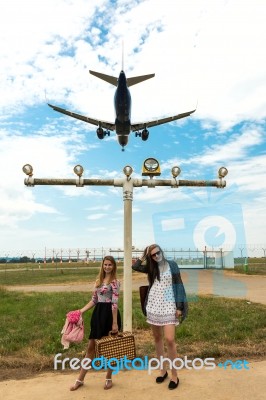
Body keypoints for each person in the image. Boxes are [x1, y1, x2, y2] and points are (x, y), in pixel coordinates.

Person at [132, 244, 188, 390]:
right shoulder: (151, 268)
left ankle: (175, 376)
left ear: (162, 251)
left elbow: (179, 286)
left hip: (169, 305)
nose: (156, 256)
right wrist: (143, 255)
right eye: (153, 255)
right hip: (154, 306)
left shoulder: (172, 265)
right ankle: (163, 371)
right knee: (157, 339)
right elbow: (136, 267)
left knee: (170, 340)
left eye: (158, 253)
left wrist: (180, 307)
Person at [70, 255, 121, 391]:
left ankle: (109, 378)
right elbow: (94, 300)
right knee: (91, 348)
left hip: (111, 316)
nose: (107, 267)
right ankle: (80, 379)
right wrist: (80, 311)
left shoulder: (115, 282)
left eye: (110, 265)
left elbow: (115, 303)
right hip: (98, 315)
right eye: (105, 264)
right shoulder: (98, 281)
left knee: (111, 348)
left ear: (114, 266)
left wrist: (115, 323)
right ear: (102, 266)